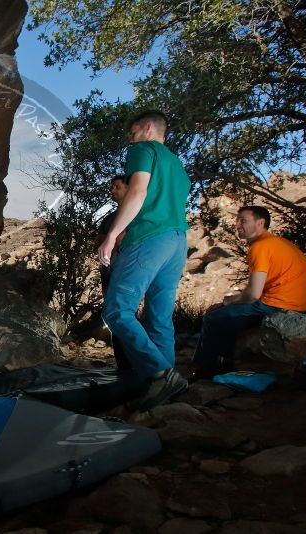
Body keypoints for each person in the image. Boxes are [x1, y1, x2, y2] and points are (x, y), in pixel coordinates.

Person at [97, 110, 191, 412]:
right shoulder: (176, 164)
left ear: (148, 127)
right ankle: (167, 388)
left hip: (149, 236)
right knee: (159, 316)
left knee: (116, 310)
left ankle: (160, 374)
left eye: (133, 130)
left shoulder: (142, 150)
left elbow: (137, 192)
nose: (130, 137)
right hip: (177, 241)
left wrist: (113, 234)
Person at [191, 206, 306, 380]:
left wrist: (228, 301)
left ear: (260, 223)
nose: (237, 225)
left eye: (243, 220)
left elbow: (253, 295)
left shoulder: (261, 246)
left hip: (280, 307)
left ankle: (206, 369)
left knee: (214, 317)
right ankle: (224, 362)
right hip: (300, 306)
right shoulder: (278, 242)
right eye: (237, 220)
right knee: (229, 316)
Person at [95, 176, 129, 370]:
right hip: (109, 271)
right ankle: (122, 363)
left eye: (117, 187)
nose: (112, 191)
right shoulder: (109, 218)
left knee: (124, 313)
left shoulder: (140, 215)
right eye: (111, 187)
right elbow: (97, 242)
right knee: (112, 313)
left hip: (128, 271)